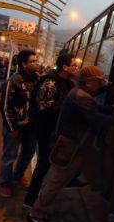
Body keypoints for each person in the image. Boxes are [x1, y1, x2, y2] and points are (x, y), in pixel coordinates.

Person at [27, 66, 114, 222]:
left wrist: (111, 110)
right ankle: (36, 212)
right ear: (89, 83)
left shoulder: (79, 93)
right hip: (70, 147)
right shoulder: (82, 97)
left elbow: (95, 109)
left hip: (73, 145)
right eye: (98, 82)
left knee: (56, 179)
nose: (100, 85)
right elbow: (96, 120)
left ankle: (39, 208)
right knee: (56, 181)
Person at [23, 53, 77, 207]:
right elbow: (44, 106)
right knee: (43, 164)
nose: (76, 67)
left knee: (50, 163)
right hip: (46, 130)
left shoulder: (69, 82)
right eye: (73, 65)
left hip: (56, 129)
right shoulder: (51, 82)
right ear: (64, 67)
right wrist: (66, 109)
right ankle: (30, 199)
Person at [0, 50, 40, 198]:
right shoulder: (14, 80)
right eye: (33, 61)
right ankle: (5, 183)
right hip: (15, 126)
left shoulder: (38, 79)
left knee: (28, 153)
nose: (37, 63)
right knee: (10, 155)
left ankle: (17, 176)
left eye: (36, 60)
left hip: (31, 126)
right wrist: (12, 128)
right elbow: (5, 106)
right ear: (24, 64)